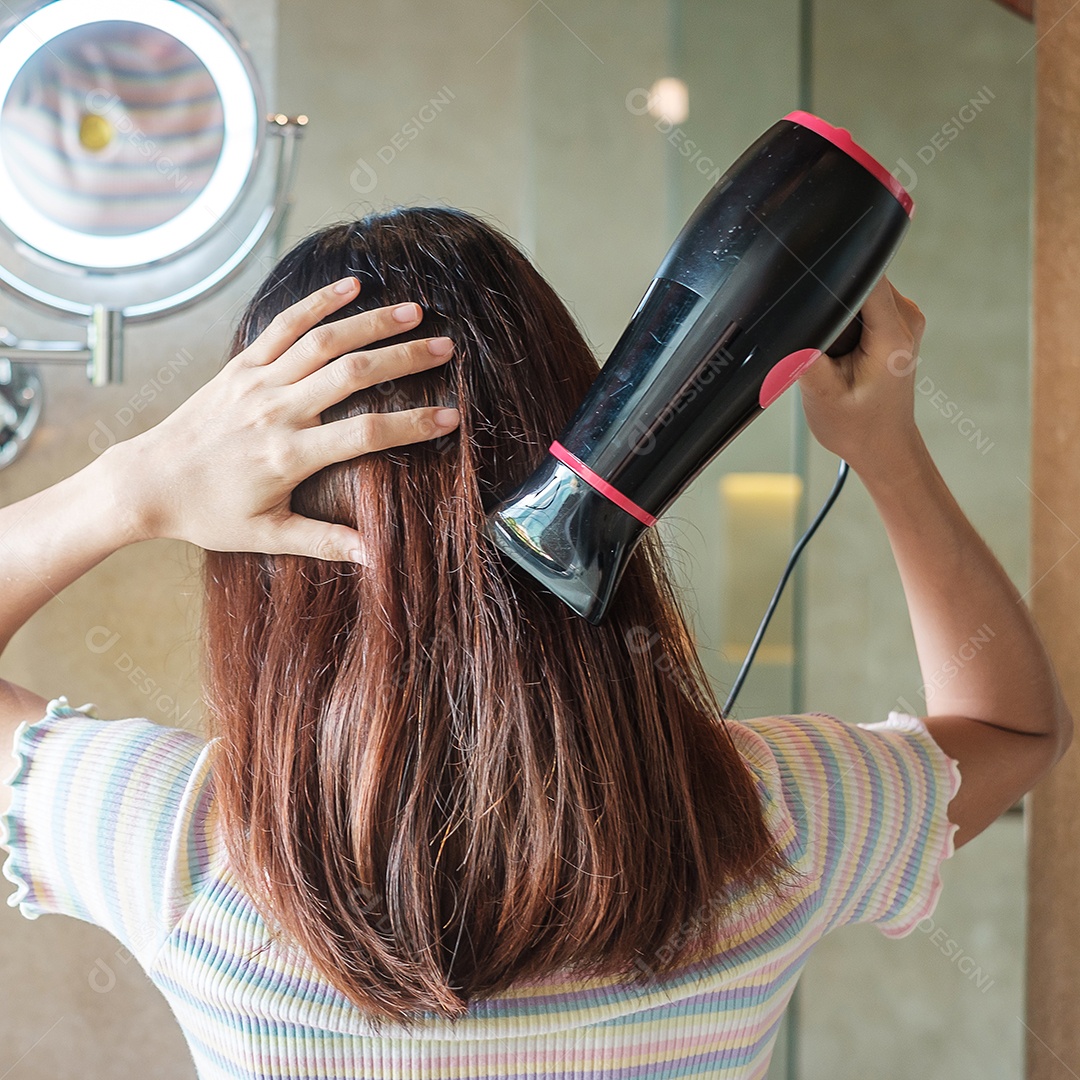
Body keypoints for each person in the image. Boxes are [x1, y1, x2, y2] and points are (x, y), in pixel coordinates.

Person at [0, 206, 1071, 1079]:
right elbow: (1015, 728)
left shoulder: (185, 850)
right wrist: (883, 445)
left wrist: (132, 488)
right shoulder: (769, 825)